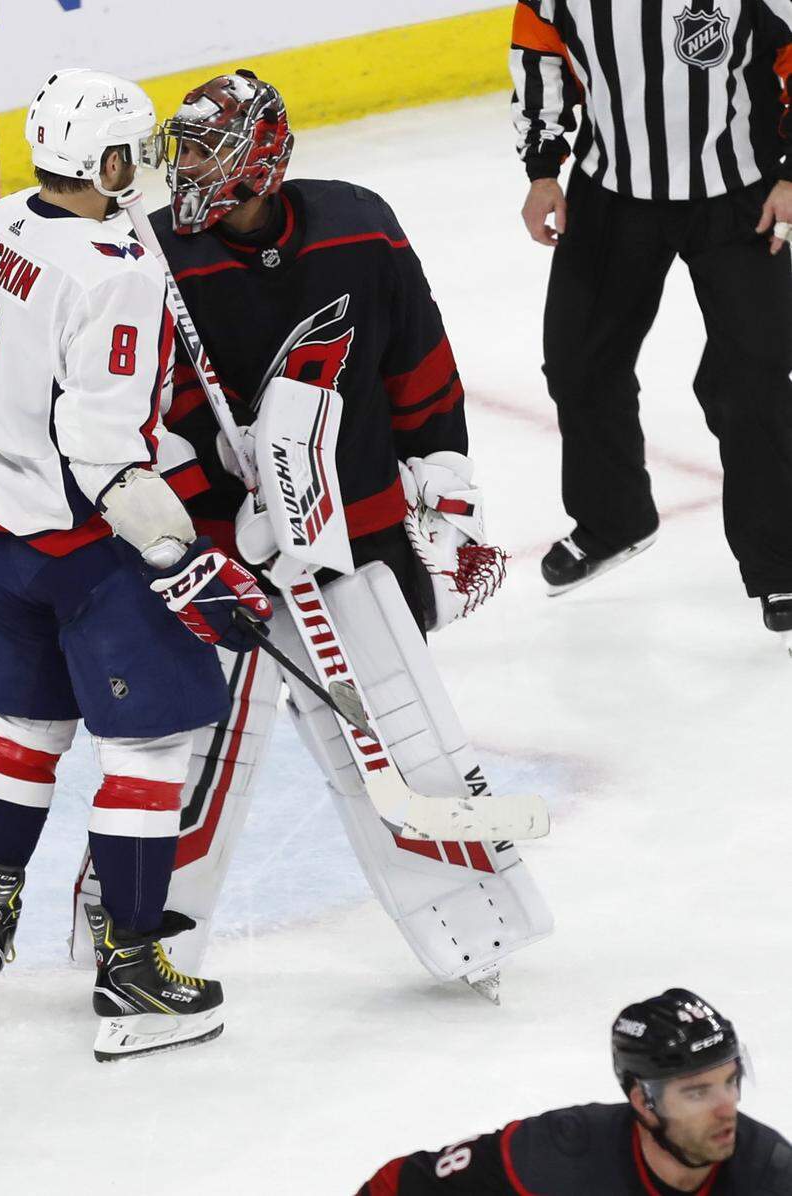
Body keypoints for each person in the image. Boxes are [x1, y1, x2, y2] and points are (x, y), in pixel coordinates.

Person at [72, 70, 552, 1000]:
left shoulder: (359, 225)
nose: (189, 165)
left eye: (210, 147)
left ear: (259, 157)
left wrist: (444, 482)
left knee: (407, 742)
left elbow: (418, 360)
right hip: (218, 566)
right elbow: (132, 415)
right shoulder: (151, 258)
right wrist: (206, 483)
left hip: (355, 544)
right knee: (195, 758)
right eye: (187, 145)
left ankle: (473, 925)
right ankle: (130, 947)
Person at [0, 68, 272, 1059]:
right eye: (140, 149)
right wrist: (182, 556)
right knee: (150, 747)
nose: (155, 166)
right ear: (108, 160)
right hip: (81, 546)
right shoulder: (116, 265)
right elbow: (103, 453)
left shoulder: (1, 218)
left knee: (21, 727)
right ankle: (131, 968)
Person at [510, 0, 792, 643]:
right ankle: (614, 521)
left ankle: (781, 559)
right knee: (580, 362)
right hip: (613, 194)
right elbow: (541, 55)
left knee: (755, 378)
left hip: (741, 194)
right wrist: (542, 170)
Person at [356, 988, 792, 1193]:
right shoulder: (566, 1149)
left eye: (730, 1082)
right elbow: (397, 1186)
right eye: (697, 1093)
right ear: (643, 1101)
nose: (726, 1108)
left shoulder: (769, 1172)